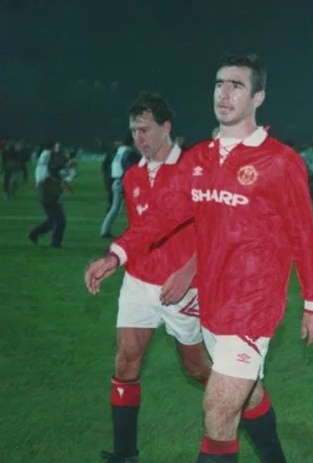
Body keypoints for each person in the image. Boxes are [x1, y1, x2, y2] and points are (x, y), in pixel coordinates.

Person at [85, 53, 313, 463]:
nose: (224, 93)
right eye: (219, 84)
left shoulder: (280, 161)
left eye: (237, 85)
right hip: (210, 306)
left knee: (217, 411)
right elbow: (161, 216)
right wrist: (117, 254)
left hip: (251, 308)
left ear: (258, 97)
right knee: (248, 395)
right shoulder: (199, 158)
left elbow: (303, 235)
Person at [93, 93, 211, 463]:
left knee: (197, 368)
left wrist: (189, 270)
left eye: (145, 129)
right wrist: (115, 258)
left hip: (182, 287)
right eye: (133, 131)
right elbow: (141, 231)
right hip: (139, 282)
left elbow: (213, 230)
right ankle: (125, 454)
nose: (139, 138)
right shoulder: (132, 176)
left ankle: (238, 397)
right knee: (126, 361)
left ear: (166, 127)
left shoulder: (194, 171)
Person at [28, 142, 73, 248]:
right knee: (59, 220)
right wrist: (68, 170)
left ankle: (35, 234)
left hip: (46, 191)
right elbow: (56, 174)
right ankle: (55, 243)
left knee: (53, 220)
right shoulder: (50, 159)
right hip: (49, 192)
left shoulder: (45, 158)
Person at [100, 136, 135, 238]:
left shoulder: (120, 151)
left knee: (115, 208)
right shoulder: (128, 152)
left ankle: (105, 230)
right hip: (123, 182)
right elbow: (128, 168)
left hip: (117, 181)